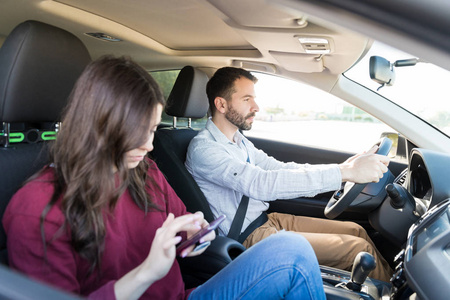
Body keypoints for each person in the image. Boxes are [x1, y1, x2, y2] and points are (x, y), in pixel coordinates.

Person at [3, 56, 326, 300]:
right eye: (136, 132)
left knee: (289, 248)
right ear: (97, 126)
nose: (149, 144)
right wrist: (146, 273)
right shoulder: (37, 208)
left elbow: (181, 222)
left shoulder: (143, 171)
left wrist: (194, 233)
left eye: (153, 129)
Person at [185, 67, 393, 282]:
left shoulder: (239, 141)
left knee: (356, 231)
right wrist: (344, 173)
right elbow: (261, 184)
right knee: (358, 249)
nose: (256, 107)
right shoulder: (205, 149)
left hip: (267, 220)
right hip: (247, 237)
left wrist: (344, 167)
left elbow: (279, 168)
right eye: (247, 99)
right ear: (221, 104)